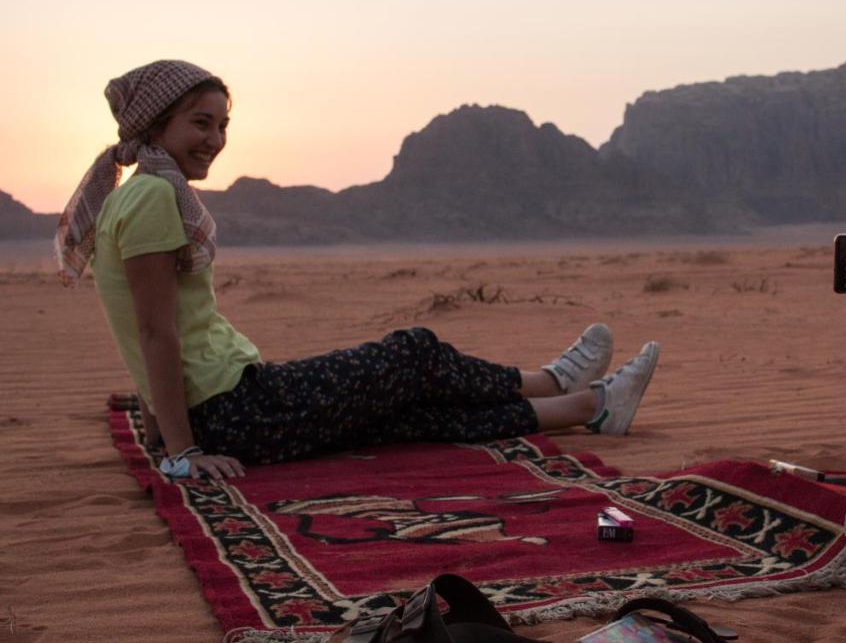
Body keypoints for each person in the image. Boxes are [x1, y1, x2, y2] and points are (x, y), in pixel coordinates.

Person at [56, 60, 659, 482]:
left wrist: (158, 422)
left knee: (407, 412)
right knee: (413, 354)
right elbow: (154, 332)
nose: (215, 139)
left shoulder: (137, 196)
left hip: (232, 403)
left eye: (222, 125)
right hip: (233, 410)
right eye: (199, 123)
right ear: (156, 124)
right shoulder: (154, 199)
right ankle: (553, 382)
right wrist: (183, 450)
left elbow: (143, 321)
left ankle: (591, 407)